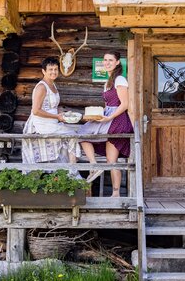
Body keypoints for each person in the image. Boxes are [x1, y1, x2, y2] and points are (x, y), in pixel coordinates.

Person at [79, 52, 133, 197]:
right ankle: (94, 165)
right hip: (108, 117)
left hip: (117, 120)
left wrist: (109, 118)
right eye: (105, 60)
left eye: (110, 60)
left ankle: (116, 193)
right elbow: (107, 105)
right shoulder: (108, 82)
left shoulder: (120, 79)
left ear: (117, 63)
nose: (107, 62)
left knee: (111, 160)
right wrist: (97, 116)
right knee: (82, 133)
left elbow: (125, 104)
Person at [22, 57, 78, 164]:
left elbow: (52, 106)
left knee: (72, 134)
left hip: (52, 122)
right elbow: (36, 111)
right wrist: (57, 117)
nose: (54, 72)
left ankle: (65, 169)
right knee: (72, 135)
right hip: (41, 124)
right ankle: (72, 171)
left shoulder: (53, 85)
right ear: (44, 71)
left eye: (56, 69)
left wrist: (63, 116)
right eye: (50, 69)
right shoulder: (42, 87)